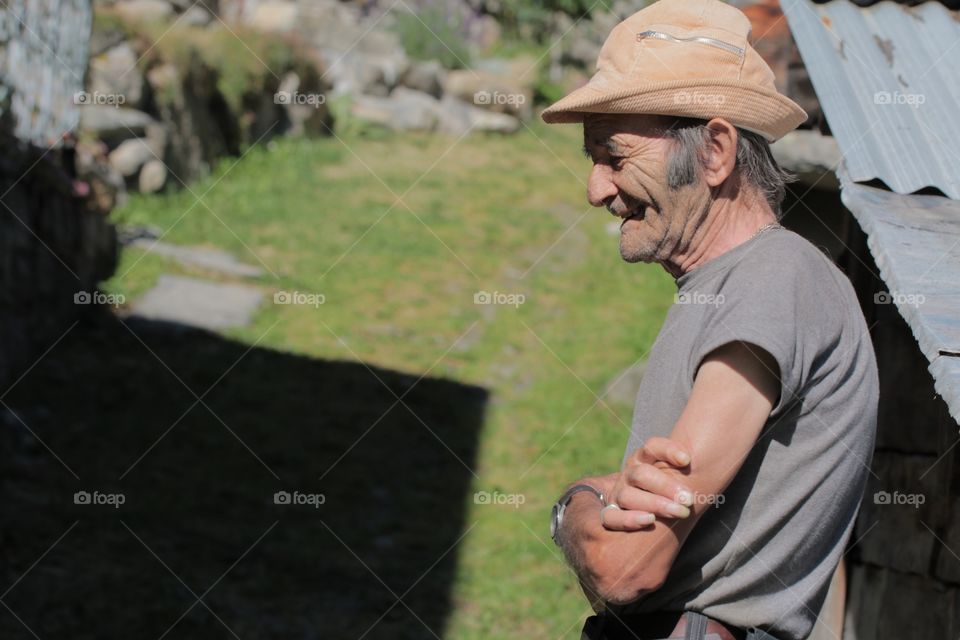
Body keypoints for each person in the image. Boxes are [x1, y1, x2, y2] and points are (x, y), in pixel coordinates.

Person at [541, 1, 878, 638]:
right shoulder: (746, 285)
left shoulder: (770, 282)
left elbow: (625, 567)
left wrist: (574, 505)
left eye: (614, 155)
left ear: (716, 151)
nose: (595, 189)